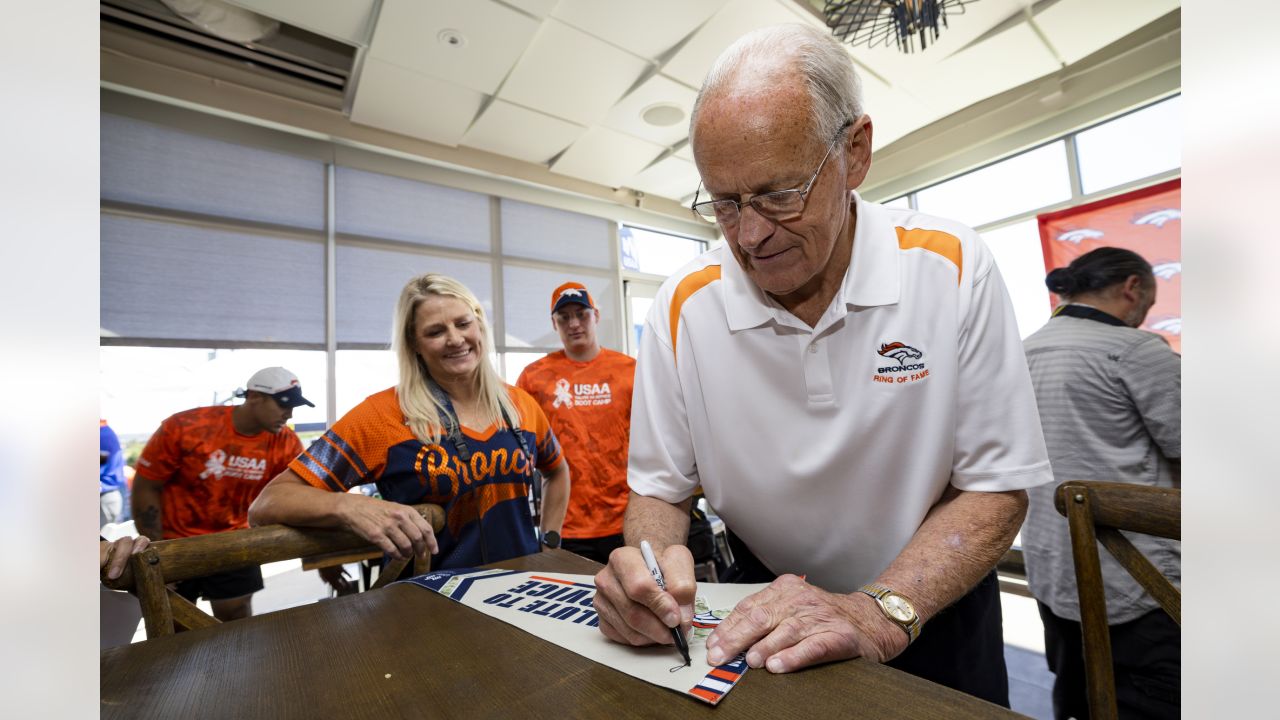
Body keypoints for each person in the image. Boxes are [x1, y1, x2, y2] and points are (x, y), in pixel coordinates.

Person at [591, 23, 1052, 705]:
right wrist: (654, 574)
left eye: (780, 193)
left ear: (855, 153)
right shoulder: (684, 306)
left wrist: (875, 611)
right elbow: (660, 491)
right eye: (724, 202)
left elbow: (997, 486)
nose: (750, 236)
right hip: (758, 604)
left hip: (928, 604)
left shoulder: (950, 267)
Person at [249, 273, 569, 573]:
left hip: (521, 590)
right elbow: (268, 503)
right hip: (428, 604)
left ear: (479, 325)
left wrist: (550, 542)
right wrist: (348, 506)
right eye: (435, 331)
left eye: (462, 323)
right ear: (414, 343)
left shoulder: (519, 405)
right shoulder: (382, 416)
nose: (455, 339)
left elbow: (557, 470)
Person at [1022, 247, 1181, 720]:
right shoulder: (1134, 350)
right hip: (1141, 579)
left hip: (1055, 570)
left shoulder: (1023, 349)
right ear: (1133, 288)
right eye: (1148, 302)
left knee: (1081, 694)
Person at [130, 367, 310, 621]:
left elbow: (296, 494)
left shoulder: (285, 442)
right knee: (175, 623)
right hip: (177, 542)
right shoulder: (186, 426)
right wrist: (156, 551)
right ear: (254, 397)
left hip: (235, 540)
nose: (289, 414)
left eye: (294, 407)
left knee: (235, 617)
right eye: (283, 405)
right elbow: (146, 486)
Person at [516, 282, 636, 563]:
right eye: (564, 317)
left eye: (581, 314)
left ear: (596, 316)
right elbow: (521, 449)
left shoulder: (630, 371)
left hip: (625, 519)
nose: (574, 324)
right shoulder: (534, 378)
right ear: (554, 323)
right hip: (565, 525)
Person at [100, 420, 130, 527]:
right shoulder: (106, 432)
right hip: (109, 494)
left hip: (105, 494)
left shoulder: (102, 435)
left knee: (104, 538)